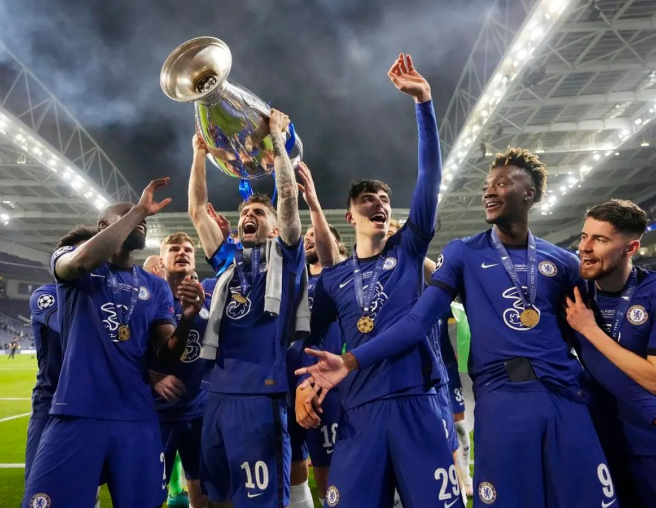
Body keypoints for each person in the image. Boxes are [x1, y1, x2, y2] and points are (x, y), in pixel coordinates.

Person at [298, 147, 615, 508]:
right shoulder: (458, 254)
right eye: (487, 184)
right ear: (350, 216)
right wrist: (323, 374)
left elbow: (589, 344)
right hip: (466, 401)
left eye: (502, 183)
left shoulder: (561, 261)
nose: (489, 191)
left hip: (538, 397)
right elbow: (406, 323)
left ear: (529, 194)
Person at [296, 54, 457, 508]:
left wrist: (423, 104)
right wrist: (303, 386)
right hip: (359, 413)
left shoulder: (409, 250)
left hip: (417, 404)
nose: (379, 204)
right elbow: (305, 336)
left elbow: (429, 178)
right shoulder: (332, 280)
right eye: (368, 199)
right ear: (350, 216)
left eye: (385, 198)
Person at [22, 178, 206, 508]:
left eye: (144, 220)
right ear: (105, 227)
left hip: (138, 417)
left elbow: (165, 355)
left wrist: (188, 318)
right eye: (129, 217)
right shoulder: (74, 266)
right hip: (77, 412)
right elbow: (78, 262)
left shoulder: (156, 286)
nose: (142, 221)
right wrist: (137, 209)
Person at [188, 109, 304, 507]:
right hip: (217, 395)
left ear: (274, 227)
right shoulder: (227, 262)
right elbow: (198, 211)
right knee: (219, 496)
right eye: (244, 214)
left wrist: (275, 141)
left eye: (258, 213)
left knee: (262, 501)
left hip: (261, 396)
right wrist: (199, 156)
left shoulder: (286, 258)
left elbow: (287, 197)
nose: (247, 217)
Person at [564, 199, 656, 506]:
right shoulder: (575, 293)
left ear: (630, 249)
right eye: (584, 236)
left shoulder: (652, 293)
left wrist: (589, 329)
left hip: (648, 444)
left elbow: (655, 379)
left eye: (600, 239)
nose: (585, 247)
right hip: (598, 442)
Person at [287, 163, 346, 508]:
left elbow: (332, 258)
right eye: (306, 236)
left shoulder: (337, 280)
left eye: (317, 235)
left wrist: (312, 203)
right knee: (295, 467)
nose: (309, 237)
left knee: (328, 473)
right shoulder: (292, 279)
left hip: (324, 383)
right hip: (285, 382)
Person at [149, 232, 216, 508]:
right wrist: (152, 376)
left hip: (199, 411)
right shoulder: (147, 299)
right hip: (155, 414)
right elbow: (125, 351)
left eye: (188, 249)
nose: (182, 253)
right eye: (174, 249)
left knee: (202, 492)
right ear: (161, 260)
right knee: (150, 492)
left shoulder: (208, 299)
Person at [26, 226, 96, 481]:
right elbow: (71, 327)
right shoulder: (45, 295)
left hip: (91, 401)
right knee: (39, 482)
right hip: (52, 400)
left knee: (85, 481)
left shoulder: (102, 297)